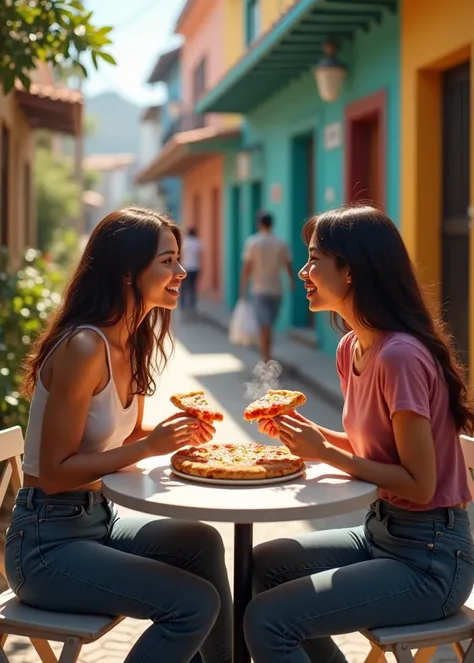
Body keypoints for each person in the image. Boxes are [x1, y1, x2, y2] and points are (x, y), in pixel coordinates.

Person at [244, 204, 474, 663]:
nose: (304, 272)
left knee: (268, 621)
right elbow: (382, 450)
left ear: (351, 271)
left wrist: (326, 453)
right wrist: (313, 436)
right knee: (261, 566)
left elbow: (418, 483)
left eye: (315, 260)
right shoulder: (353, 347)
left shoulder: (399, 357)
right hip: (380, 534)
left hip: (430, 559)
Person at [5, 207, 232, 663]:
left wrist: (177, 435)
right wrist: (151, 446)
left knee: (203, 542)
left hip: (96, 523)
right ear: (128, 272)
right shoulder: (85, 347)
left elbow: (121, 437)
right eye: (167, 261)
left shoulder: (132, 338)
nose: (181, 272)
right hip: (46, 545)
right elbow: (53, 473)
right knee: (193, 604)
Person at [240, 212, 294, 363]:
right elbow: (288, 264)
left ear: (259, 224)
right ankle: (267, 355)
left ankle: (265, 357)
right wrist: (292, 281)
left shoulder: (253, 242)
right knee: (269, 323)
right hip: (276, 289)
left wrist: (243, 287)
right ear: (272, 224)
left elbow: (247, 267)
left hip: (259, 289)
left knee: (264, 324)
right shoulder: (281, 243)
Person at [181, 226, 203, 319]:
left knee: (184, 288)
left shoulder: (184, 243)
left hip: (185, 268)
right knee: (193, 287)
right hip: (195, 268)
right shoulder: (198, 243)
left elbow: (180, 255)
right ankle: (192, 306)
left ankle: (183, 306)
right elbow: (200, 256)